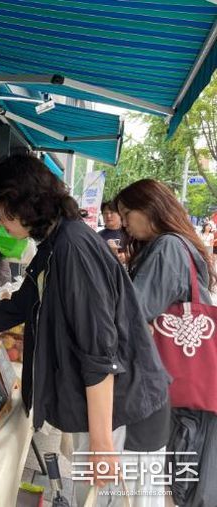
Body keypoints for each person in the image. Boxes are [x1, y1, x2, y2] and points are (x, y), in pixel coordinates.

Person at [0, 154, 170, 505]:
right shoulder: (56, 243)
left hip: (123, 413)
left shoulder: (74, 248)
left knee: (116, 499)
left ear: (20, 203)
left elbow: (99, 352)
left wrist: (102, 443)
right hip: (106, 410)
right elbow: (20, 306)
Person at [114, 179, 217, 507]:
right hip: (184, 385)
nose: (124, 223)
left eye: (127, 214)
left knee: (162, 482)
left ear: (150, 209)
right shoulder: (179, 244)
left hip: (170, 386)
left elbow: (133, 312)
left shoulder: (169, 247)